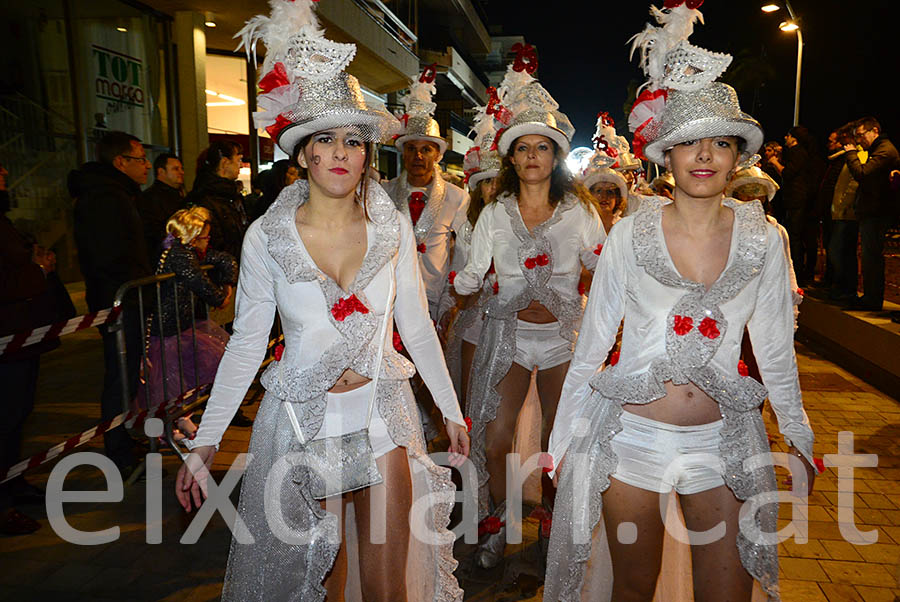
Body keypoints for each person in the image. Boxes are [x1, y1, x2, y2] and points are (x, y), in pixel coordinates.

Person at [175, 3, 469, 600]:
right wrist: (207, 440)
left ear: (367, 154)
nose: (341, 152)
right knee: (324, 586)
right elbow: (249, 344)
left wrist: (450, 410)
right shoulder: (267, 236)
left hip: (383, 417)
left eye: (353, 141)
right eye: (326, 140)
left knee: (388, 588)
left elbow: (414, 324)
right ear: (304, 152)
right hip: (301, 430)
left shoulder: (389, 228)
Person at [545, 6, 816, 600]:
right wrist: (561, 442)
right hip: (629, 441)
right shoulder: (628, 234)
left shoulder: (764, 237)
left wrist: (799, 435)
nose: (704, 155)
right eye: (689, 143)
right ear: (666, 154)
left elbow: (774, 345)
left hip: (725, 442)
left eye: (720, 143)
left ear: (737, 156)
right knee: (633, 590)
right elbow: (592, 345)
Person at [453, 54, 605, 569]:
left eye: (543, 147)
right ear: (511, 159)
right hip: (510, 336)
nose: (534, 155)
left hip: (565, 339)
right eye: (524, 148)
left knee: (555, 444)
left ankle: (554, 535)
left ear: (556, 156)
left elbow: (605, 266)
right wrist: (458, 278)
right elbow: (471, 274)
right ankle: (498, 525)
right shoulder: (494, 212)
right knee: (495, 439)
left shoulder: (580, 210)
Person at [70, 130, 152, 477]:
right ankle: (117, 448)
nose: (146, 165)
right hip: (118, 301)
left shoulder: (118, 194)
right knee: (119, 377)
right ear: (120, 162)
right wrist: (136, 284)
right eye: (140, 159)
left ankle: (122, 439)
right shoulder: (104, 198)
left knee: (127, 376)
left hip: (126, 298)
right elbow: (110, 255)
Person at [0, 162, 64, 534]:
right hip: (8, 337)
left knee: (18, 414)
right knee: (6, 418)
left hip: (20, 337)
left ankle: (12, 479)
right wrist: (36, 269)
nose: (6, 171)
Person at [381, 69, 470, 322]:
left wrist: (452, 296)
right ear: (403, 153)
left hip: (435, 295)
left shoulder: (456, 197)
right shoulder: (385, 193)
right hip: (393, 296)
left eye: (426, 149)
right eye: (412, 149)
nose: (418, 156)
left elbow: (463, 251)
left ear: (437, 155)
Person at [137, 207, 236, 412]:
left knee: (179, 385)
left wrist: (228, 281)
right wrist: (222, 297)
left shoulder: (184, 252)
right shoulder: (181, 256)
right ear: (193, 237)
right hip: (165, 331)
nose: (208, 240)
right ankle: (161, 431)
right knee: (166, 389)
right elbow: (201, 284)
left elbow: (225, 259)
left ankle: (179, 425)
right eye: (206, 236)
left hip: (179, 327)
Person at [443, 108, 501, 407]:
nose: (494, 189)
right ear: (478, 189)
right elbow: (458, 272)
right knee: (468, 390)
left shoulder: (516, 226)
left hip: (507, 320)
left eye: (499, 182)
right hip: (474, 317)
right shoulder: (465, 228)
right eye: (487, 182)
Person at [843, 116, 900, 310]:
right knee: (869, 257)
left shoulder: (884, 150)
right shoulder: (878, 149)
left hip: (877, 211)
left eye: (861, 135)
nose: (859, 141)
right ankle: (870, 297)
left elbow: (862, 173)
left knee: (872, 257)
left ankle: (872, 299)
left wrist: (850, 154)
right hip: (872, 210)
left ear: (874, 130)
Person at [185, 140, 248, 261]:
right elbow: (213, 244)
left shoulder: (233, 195)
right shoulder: (204, 198)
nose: (241, 165)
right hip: (222, 270)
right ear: (225, 162)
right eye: (238, 160)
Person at [828, 126, 861, 302]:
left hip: (847, 212)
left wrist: (845, 206)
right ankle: (842, 287)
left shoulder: (858, 155)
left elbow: (854, 184)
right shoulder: (849, 156)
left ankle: (847, 289)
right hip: (841, 210)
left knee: (841, 251)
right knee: (838, 251)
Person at [137, 153, 185, 261]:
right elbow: (154, 232)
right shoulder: (150, 199)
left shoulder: (180, 196)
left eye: (181, 169)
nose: (182, 172)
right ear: (161, 172)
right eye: (175, 169)